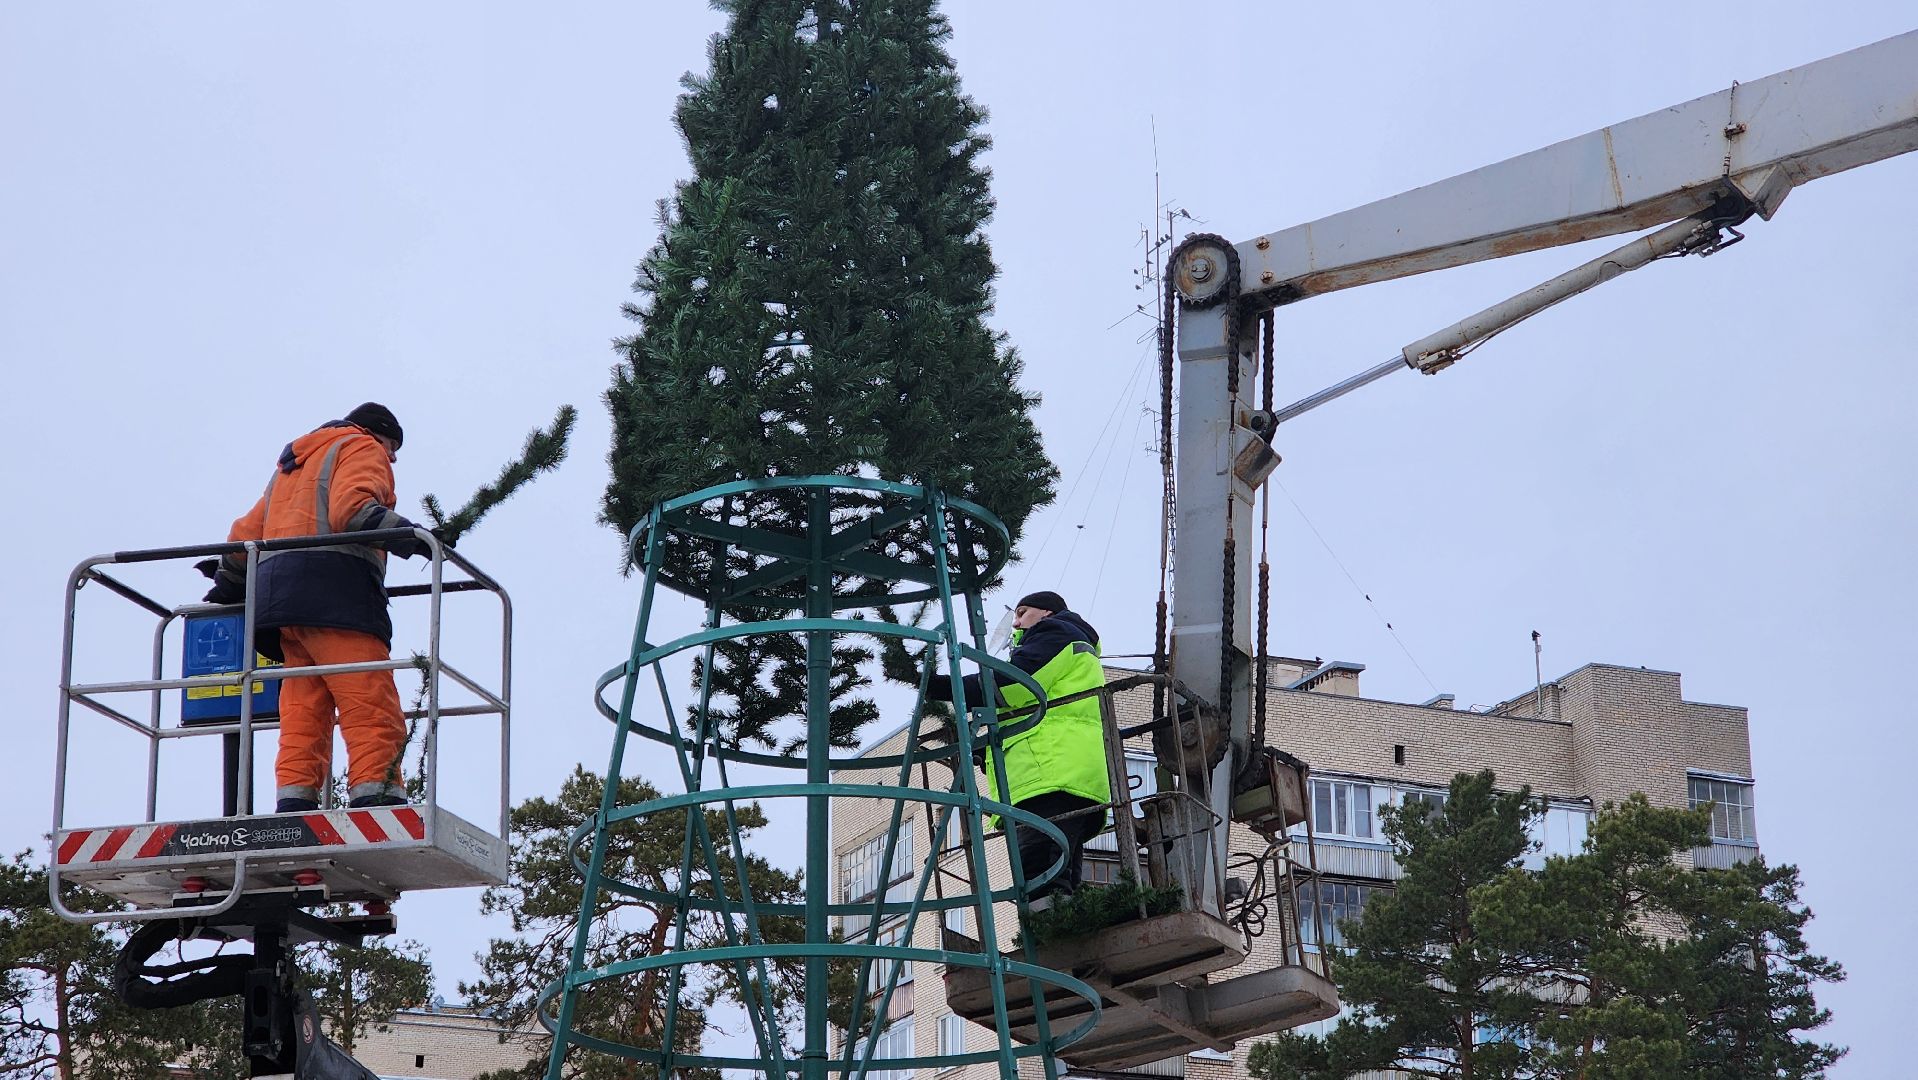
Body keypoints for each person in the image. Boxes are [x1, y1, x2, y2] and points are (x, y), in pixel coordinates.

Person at [202, 403, 438, 814]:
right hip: (338, 599)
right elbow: (352, 511)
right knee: (369, 700)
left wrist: (227, 583)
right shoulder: (361, 447)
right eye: (392, 445)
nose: (392, 456)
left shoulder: (294, 464)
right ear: (376, 433)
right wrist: (415, 538)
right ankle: (376, 795)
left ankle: (294, 801)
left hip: (283, 609)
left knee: (303, 709)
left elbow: (246, 535)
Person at [930, 590, 1110, 904]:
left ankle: (1048, 930)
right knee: (1059, 877)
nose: (1015, 623)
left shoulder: (1056, 633)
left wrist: (942, 686)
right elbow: (1026, 705)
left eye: (1023, 612)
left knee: (1040, 874)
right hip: (1068, 774)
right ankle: (1061, 926)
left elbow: (1013, 684)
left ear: (1047, 613)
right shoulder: (1074, 646)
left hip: (1049, 776)